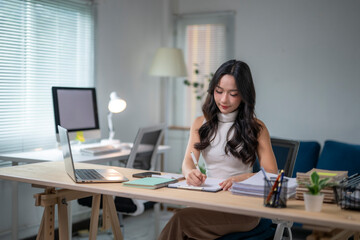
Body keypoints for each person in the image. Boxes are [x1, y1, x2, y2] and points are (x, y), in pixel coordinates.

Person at [158, 59, 278, 240]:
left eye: (233, 94)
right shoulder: (201, 123)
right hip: (210, 201)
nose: (223, 99)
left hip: (243, 209)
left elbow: (272, 174)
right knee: (183, 219)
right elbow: (188, 161)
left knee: (180, 220)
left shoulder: (257, 127)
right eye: (219, 91)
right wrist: (190, 172)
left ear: (244, 95)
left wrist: (242, 178)